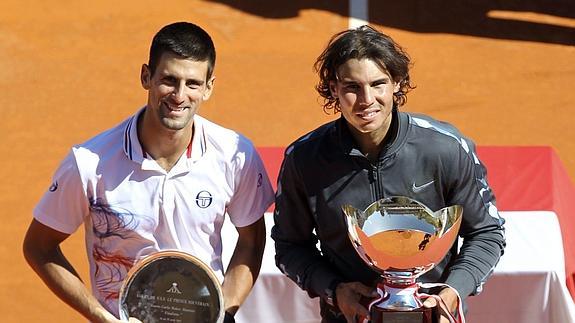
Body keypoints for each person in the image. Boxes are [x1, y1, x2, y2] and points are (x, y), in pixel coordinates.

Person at [23, 22, 274, 323]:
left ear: (209, 87)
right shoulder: (89, 163)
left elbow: (251, 241)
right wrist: (100, 316)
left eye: (193, 83)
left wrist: (225, 313)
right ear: (146, 77)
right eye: (169, 80)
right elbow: (39, 247)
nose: (179, 96)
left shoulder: (236, 155)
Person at [272, 25, 506, 323]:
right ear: (334, 89)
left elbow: (487, 232)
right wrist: (334, 290)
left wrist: (453, 291)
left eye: (378, 84)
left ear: (397, 82)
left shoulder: (446, 149)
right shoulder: (304, 159)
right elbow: (289, 246)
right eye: (352, 87)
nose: (366, 99)